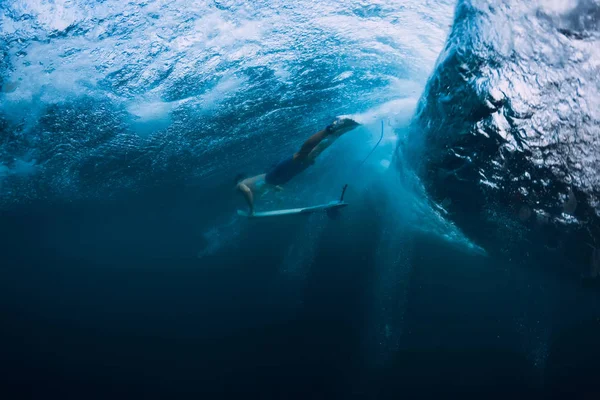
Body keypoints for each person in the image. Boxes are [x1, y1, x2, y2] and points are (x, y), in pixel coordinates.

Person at [236, 117, 359, 215]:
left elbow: (246, 191)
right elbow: (276, 188)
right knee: (315, 152)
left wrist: (251, 210)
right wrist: (279, 201)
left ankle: (331, 128)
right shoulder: (253, 184)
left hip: (274, 175)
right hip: (281, 178)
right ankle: (344, 129)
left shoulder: (241, 184)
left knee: (302, 154)